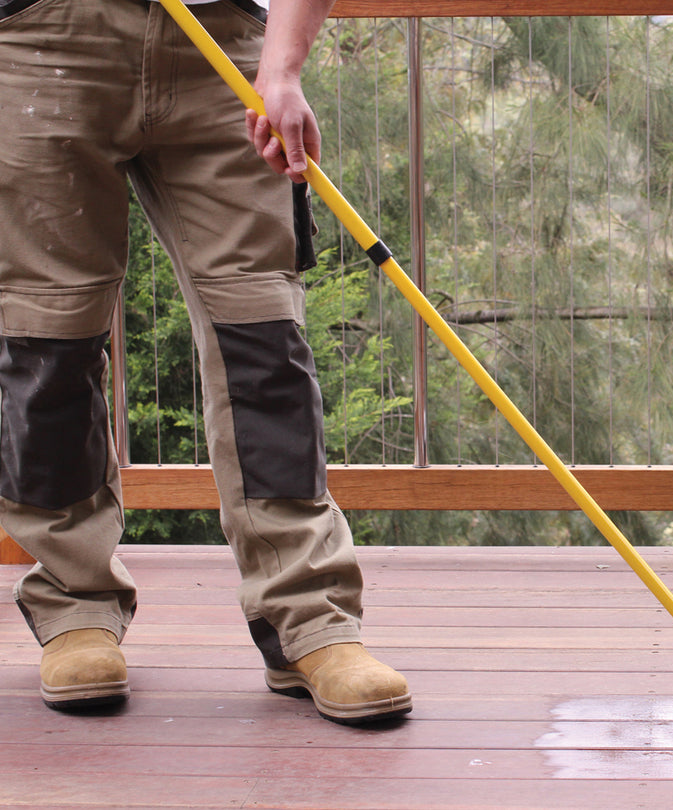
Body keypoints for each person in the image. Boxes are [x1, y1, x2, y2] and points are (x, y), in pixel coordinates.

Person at [0, 0, 411, 725]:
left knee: (265, 339)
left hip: (226, 45)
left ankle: (310, 622)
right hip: (43, 39)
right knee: (49, 339)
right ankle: (75, 605)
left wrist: (282, 67)